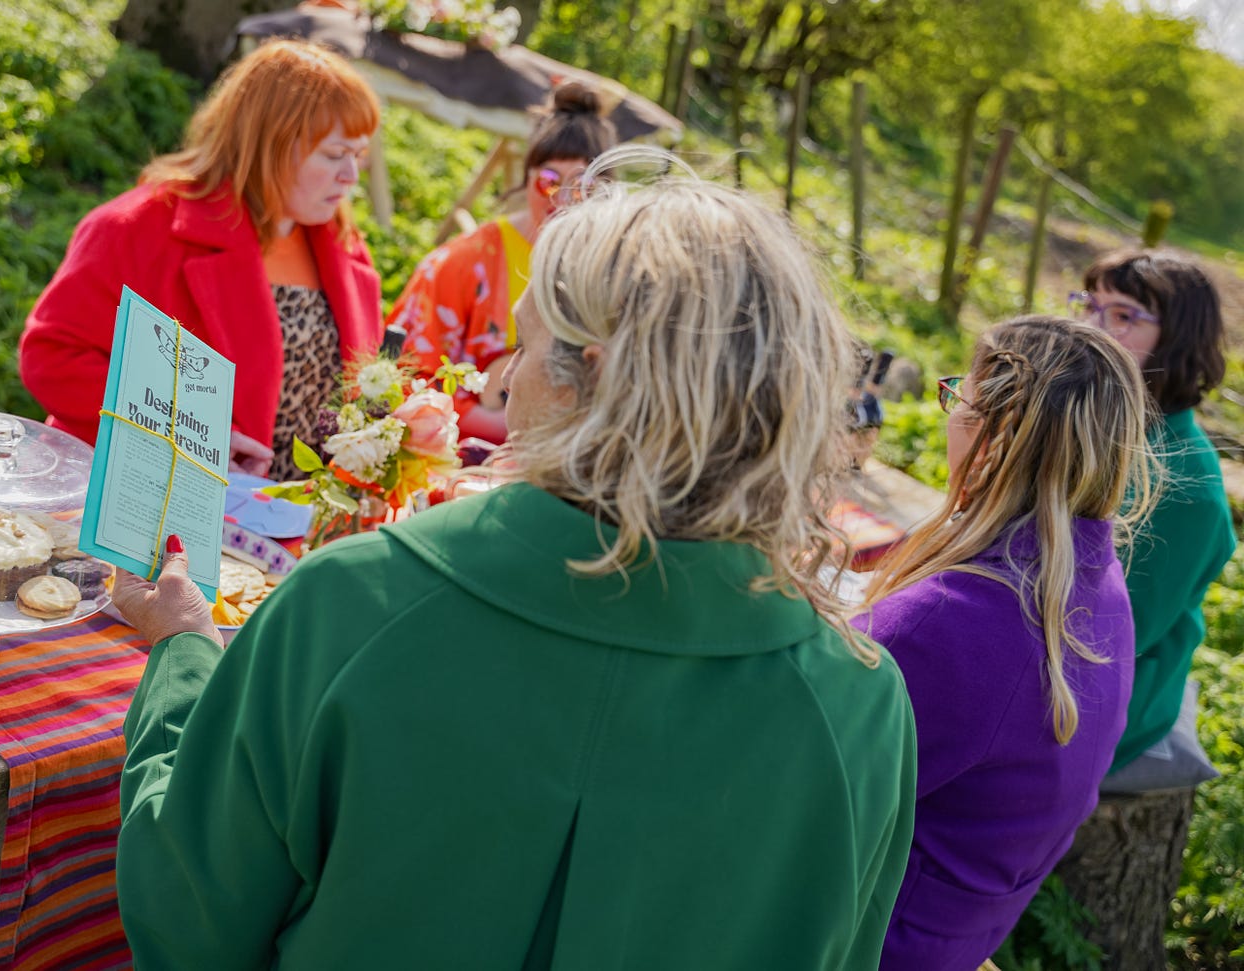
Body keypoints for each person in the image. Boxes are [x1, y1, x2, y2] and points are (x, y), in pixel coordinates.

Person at [112, 160, 917, 970]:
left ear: (588, 378)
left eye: (524, 344)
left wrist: (183, 653)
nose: (504, 376)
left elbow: (189, 923)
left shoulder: (352, 603)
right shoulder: (861, 705)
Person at [852, 318, 1155, 970]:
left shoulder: (951, 621)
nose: (951, 410)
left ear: (999, 430)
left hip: (868, 940)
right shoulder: (1092, 582)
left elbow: (797, 761)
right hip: (954, 934)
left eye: (960, 394)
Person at [19, 39, 385, 480]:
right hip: (145, 505)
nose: (350, 177)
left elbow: (354, 390)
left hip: (288, 531)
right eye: (333, 155)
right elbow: (53, 357)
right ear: (269, 142)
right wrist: (185, 430)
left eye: (357, 157)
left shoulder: (343, 245)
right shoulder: (135, 227)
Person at [1070, 249, 1235, 777]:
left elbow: (1113, 637)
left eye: (1121, 316)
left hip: (1109, 695)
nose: (1091, 328)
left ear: (1178, 339)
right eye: (1089, 306)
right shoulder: (1108, 418)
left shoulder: (1186, 489)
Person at [386, 80, 617, 445]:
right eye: (549, 181)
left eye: (582, 183)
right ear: (526, 178)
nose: (564, 200)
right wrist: (517, 428)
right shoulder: (459, 264)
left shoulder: (612, 275)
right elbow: (406, 381)